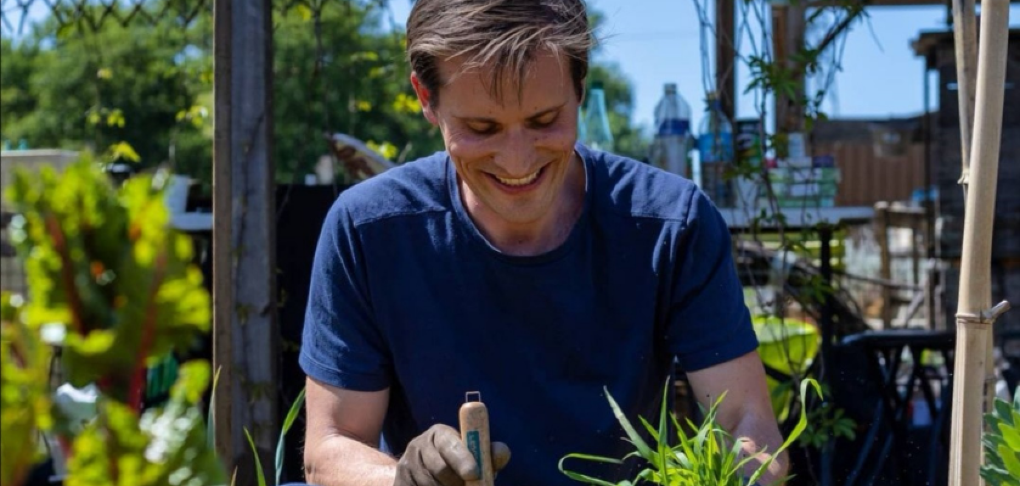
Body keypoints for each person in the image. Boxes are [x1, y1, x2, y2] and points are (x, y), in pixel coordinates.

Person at [298, 1, 785, 485]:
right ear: (427, 97)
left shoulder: (671, 225)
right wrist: (402, 479)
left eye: (543, 120)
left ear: (579, 85)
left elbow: (748, 426)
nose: (516, 161)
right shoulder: (369, 230)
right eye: (481, 128)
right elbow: (332, 446)